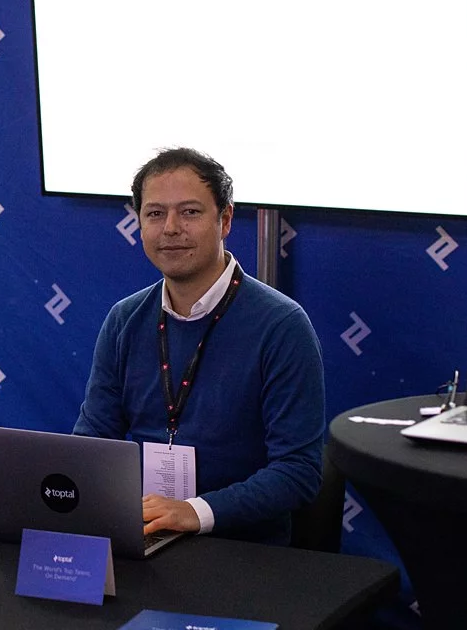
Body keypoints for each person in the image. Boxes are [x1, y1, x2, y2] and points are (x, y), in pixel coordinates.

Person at [73, 148, 324, 544]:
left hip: (240, 548)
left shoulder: (282, 325)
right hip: (144, 532)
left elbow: (298, 471)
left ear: (225, 220)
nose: (171, 228)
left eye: (189, 212)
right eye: (155, 214)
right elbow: (94, 440)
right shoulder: (124, 320)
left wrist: (195, 512)